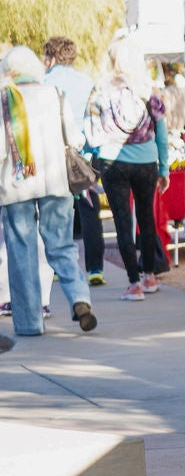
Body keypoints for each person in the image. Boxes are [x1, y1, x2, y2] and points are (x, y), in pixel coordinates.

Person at [1, 47, 94, 338]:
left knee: (21, 252)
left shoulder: (5, 99)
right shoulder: (55, 94)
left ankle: (30, 323)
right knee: (61, 245)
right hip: (56, 181)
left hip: (17, 185)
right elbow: (76, 138)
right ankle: (79, 297)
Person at [84, 59, 170, 302]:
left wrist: (90, 165)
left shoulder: (100, 96)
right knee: (146, 218)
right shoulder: (150, 97)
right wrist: (163, 169)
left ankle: (134, 284)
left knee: (123, 222)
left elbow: (90, 135)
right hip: (146, 162)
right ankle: (150, 276)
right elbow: (162, 137)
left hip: (113, 162)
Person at [41, 37, 104, 286]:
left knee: (58, 212)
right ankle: (95, 269)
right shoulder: (87, 82)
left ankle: (58, 266)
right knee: (90, 211)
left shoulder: (44, 83)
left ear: (52, 57)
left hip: (53, 156)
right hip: (83, 156)